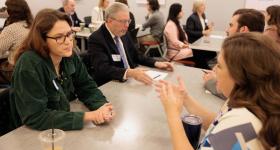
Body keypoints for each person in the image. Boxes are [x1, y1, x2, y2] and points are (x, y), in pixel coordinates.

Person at [156, 32, 280, 150]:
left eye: (219, 66)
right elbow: (217, 124)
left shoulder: (242, 123)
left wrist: (172, 114)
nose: (214, 70)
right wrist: (185, 98)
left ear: (239, 75)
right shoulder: (248, 101)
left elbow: (229, 130)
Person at [9, 9, 114, 131]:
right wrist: (88, 116)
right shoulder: (29, 64)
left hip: (62, 125)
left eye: (69, 34)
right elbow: (36, 117)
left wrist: (101, 107)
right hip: (30, 135)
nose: (68, 42)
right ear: (42, 39)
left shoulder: (69, 55)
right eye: (59, 37)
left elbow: (86, 86)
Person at [88, 2, 173, 86]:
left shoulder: (124, 33)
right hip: (112, 84)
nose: (127, 25)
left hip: (131, 81)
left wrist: (156, 63)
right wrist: (130, 73)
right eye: (123, 21)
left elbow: (136, 55)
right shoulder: (97, 39)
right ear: (109, 20)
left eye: (128, 21)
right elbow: (103, 69)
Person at [203, 8, 265, 99]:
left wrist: (211, 81)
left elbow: (239, 96)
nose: (227, 30)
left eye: (231, 25)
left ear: (243, 29)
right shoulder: (261, 51)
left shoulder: (248, 57)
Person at [0, 0, 33, 84]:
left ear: (11, 11)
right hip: (32, 69)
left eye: (6, 9)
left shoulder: (11, 29)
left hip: (15, 71)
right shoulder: (32, 25)